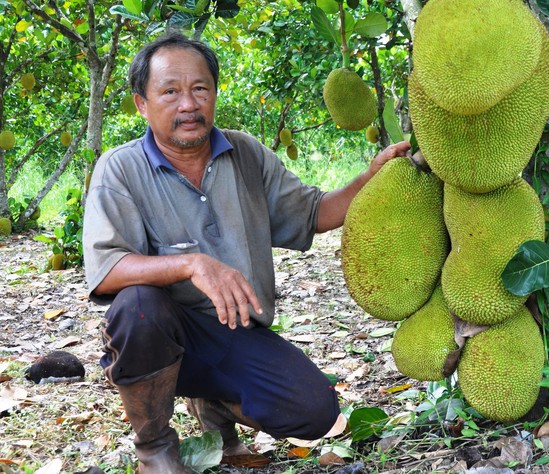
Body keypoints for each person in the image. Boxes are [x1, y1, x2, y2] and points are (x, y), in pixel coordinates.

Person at [82, 31, 410, 473]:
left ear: (214, 93)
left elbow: (313, 213)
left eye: (200, 89)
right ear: (142, 104)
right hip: (164, 333)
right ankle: (155, 447)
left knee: (315, 411)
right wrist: (191, 264)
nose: (188, 105)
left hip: (237, 331)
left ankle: (214, 405)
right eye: (171, 92)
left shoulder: (246, 154)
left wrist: (373, 178)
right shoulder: (119, 169)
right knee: (138, 306)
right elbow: (106, 271)